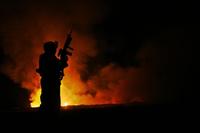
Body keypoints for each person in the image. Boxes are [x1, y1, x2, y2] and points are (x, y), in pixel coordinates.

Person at [36, 41, 67, 112]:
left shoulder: (43, 57)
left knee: (46, 100)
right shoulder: (49, 58)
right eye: (54, 49)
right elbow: (58, 65)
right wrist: (64, 60)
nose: (55, 51)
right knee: (53, 103)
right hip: (52, 82)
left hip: (47, 81)